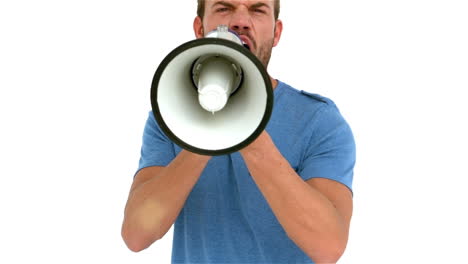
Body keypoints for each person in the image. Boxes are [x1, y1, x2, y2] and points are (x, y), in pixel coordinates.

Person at [122, 1, 356, 263]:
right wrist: (204, 132)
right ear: (200, 28)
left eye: (257, 10)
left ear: (276, 33)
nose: (241, 21)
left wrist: (247, 126)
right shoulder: (169, 117)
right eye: (224, 8)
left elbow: (328, 246)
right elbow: (137, 234)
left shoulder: (318, 120)